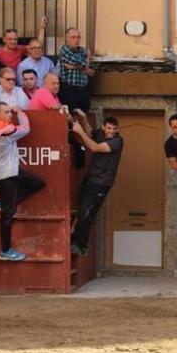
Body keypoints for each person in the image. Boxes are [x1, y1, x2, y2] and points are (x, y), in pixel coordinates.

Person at [0, 103, 46, 261]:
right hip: (6, 175)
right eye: (6, 112)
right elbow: (26, 128)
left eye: (10, 112)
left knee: (37, 183)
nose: (10, 114)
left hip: (7, 171)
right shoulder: (6, 134)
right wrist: (20, 112)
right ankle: (5, 251)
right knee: (7, 214)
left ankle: (1, 203)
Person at [69, 117, 124, 255]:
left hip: (101, 183)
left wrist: (80, 132)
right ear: (104, 127)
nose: (111, 131)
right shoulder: (100, 133)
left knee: (87, 213)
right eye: (109, 128)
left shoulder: (117, 141)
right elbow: (92, 132)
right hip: (90, 178)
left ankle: (80, 246)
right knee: (81, 208)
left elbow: (94, 147)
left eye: (114, 129)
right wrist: (83, 118)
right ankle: (73, 237)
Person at [58, 28, 94, 114]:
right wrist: (85, 64)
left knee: (83, 114)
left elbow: (90, 70)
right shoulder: (65, 50)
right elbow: (83, 65)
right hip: (69, 89)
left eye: (78, 37)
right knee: (69, 116)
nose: (76, 40)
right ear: (67, 38)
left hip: (83, 89)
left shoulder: (82, 50)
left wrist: (74, 66)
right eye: (73, 37)